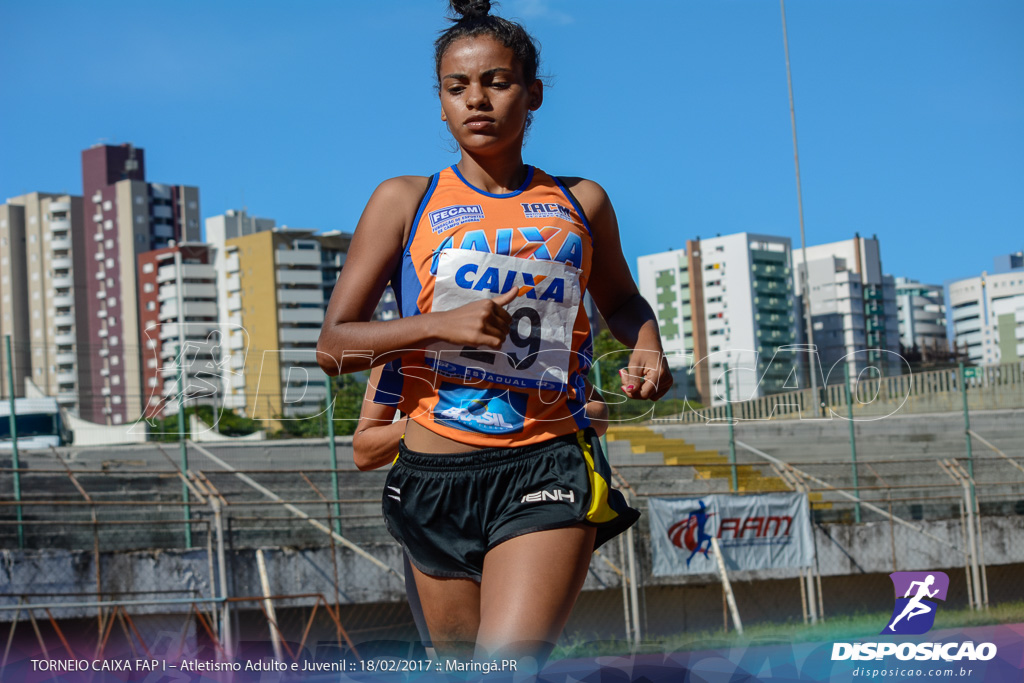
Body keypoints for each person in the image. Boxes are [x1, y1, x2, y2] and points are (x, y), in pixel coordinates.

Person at [317, 0, 672, 667]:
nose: (476, 100)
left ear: (533, 92)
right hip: (432, 476)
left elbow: (621, 300)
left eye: (497, 82)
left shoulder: (581, 202)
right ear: (442, 101)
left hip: (545, 462)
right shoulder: (403, 200)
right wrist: (436, 325)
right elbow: (335, 347)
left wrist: (646, 341)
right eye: (458, 87)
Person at [351, 366, 612, 657]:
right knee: (455, 670)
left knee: (507, 665)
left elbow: (598, 413)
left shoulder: (533, 340)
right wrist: (439, 418)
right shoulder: (405, 343)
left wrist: (531, 417)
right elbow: (364, 450)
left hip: (526, 484)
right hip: (436, 506)